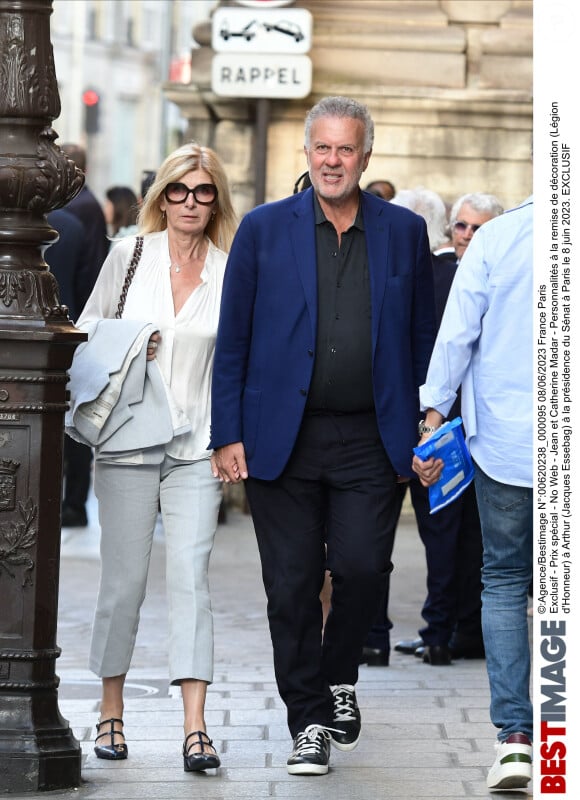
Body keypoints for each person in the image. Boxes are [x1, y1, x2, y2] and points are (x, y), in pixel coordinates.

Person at [210, 96, 436, 775]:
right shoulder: (262, 229)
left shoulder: (402, 232)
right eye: (323, 148)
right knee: (291, 586)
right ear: (305, 153)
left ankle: (340, 676)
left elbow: (424, 336)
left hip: (372, 436)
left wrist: (429, 422)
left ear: (365, 156)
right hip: (282, 439)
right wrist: (228, 432)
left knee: (366, 569)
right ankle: (308, 720)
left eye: (346, 150)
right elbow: (235, 341)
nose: (333, 161)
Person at [68, 142, 237, 772]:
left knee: (192, 581)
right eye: (178, 190)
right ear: (159, 196)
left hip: (198, 447)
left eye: (202, 191)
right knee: (125, 582)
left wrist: (232, 438)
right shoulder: (127, 256)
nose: (190, 202)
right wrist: (134, 343)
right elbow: (87, 335)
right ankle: (110, 710)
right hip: (129, 443)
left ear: (216, 199)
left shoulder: (230, 268)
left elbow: (238, 359)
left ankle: (195, 728)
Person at [412, 197, 533, 790]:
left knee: (506, 579)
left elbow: (456, 335)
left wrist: (432, 419)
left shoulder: (498, 238)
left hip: (507, 442)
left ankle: (515, 739)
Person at [393, 190, 503, 666]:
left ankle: (455, 631)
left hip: (484, 426)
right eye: (461, 226)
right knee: (446, 534)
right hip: (437, 425)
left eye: (477, 228)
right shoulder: (439, 278)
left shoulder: (496, 279)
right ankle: (446, 630)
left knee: (472, 538)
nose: (467, 236)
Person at [60, 143, 110, 528]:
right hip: (74, 328)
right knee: (71, 419)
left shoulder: (75, 216)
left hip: (71, 330)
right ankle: (72, 501)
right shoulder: (79, 216)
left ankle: (71, 501)